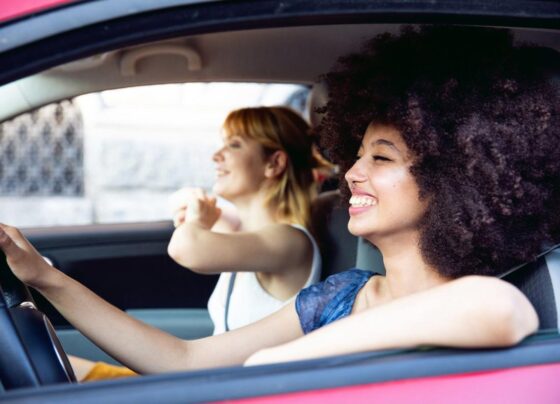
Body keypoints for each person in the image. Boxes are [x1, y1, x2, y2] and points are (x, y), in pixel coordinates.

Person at [1, 25, 558, 373]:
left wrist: (273, 366)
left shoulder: (485, 297)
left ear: (452, 178)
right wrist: (45, 279)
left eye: (381, 158)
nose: (352, 173)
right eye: (357, 153)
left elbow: (497, 309)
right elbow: (183, 360)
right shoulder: (340, 296)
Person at [72, 106, 327, 380]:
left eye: (235, 145)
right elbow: (186, 208)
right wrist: (197, 214)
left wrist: (198, 221)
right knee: (66, 366)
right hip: (210, 383)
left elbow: (185, 248)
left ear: (273, 164)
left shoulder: (289, 241)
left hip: (233, 392)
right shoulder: (247, 237)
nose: (216, 155)